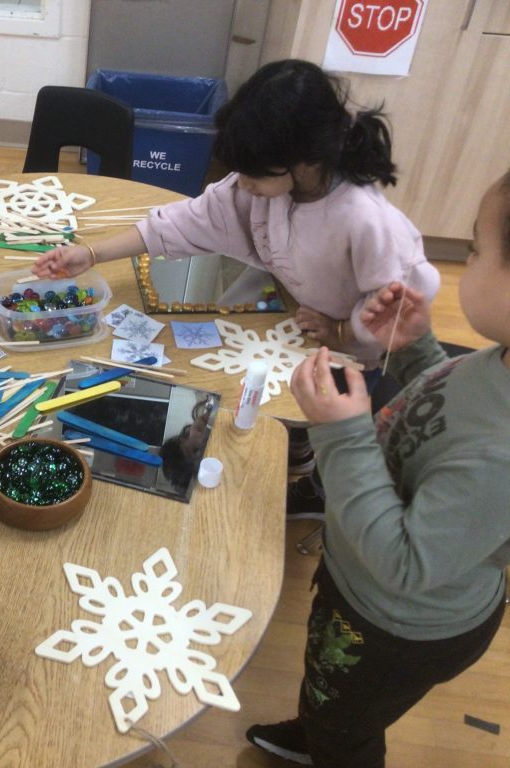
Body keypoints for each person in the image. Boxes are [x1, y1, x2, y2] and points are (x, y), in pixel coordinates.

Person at [34, 58, 441, 515]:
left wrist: (341, 330)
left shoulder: (367, 219)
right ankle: (300, 459)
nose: (242, 185)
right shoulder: (263, 184)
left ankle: (316, 488)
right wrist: (91, 253)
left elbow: (399, 309)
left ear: (305, 160)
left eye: (254, 174)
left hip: (354, 351)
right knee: (282, 411)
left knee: (321, 426)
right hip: (301, 318)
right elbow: (182, 222)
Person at [246, 169, 510, 767]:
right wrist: (415, 349)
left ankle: (330, 738)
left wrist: (342, 435)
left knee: (348, 726)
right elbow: (446, 411)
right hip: (360, 584)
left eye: (476, 248)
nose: (466, 259)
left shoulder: (502, 458)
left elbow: (404, 564)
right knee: (332, 694)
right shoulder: (501, 362)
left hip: (396, 626)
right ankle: (320, 724)